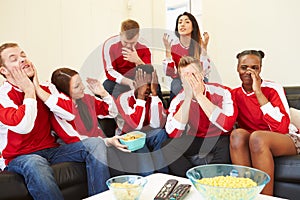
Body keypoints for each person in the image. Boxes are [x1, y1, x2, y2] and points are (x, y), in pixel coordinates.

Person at [0, 43, 111, 199]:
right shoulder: (3, 96)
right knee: (35, 162)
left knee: (95, 144)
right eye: (14, 59)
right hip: (19, 157)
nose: (23, 59)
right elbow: (24, 125)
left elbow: (70, 114)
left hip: (51, 150)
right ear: (4, 71)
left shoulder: (47, 88)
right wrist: (29, 91)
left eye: (23, 55)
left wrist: (37, 88)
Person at [51, 67, 155, 176]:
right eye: (77, 86)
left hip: (103, 143)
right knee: (113, 155)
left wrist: (103, 93)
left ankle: (149, 182)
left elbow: (112, 112)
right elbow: (76, 141)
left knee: (137, 146)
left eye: (81, 83)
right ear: (64, 92)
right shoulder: (60, 112)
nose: (82, 87)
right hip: (86, 148)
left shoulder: (86, 99)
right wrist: (107, 142)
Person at [230, 50, 300, 196]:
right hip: (253, 140)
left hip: (285, 138)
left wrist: (258, 93)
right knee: (237, 135)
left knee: (258, 138)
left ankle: (264, 198)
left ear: (260, 69)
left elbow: (281, 128)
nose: (248, 72)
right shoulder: (234, 94)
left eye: (254, 68)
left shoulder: (273, 89)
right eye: (244, 67)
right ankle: (245, 195)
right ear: (237, 69)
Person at [162, 56, 238, 177]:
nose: (190, 79)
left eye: (193, 74)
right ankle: (193, 178)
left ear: (202, 75)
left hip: (219, 138)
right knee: (167, 146)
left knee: (226, 145)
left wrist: (199, 96)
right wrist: (187, 99)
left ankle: (212, 179)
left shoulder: (223, 92)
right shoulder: (178, 100)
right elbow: (173, 133)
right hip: (195, 138)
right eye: (186, 76)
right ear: (181, 81)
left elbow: (227, 125)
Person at [115, 64, 169, 173]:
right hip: (128, 138)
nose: (148, 87)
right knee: (140, 144)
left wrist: (154, 94)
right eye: (144, 83)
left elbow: (156, 125)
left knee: (161, 133)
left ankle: (163, 176)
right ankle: (148, 178)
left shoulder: (154, 98)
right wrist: (140, 98)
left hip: (146, 135)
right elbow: (136, 125)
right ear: (135, 83)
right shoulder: (123, 99)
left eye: (150, 83)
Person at [162, 12, 211, 100]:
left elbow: (204, 71)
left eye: (187, 22)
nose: (182, 24)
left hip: (197, 79)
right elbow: (170, 72)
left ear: (193, 27)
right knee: (176, 85)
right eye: (180, 22)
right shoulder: (173, 48)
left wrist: (204, 49)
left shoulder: (199, 47)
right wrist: (168, 52)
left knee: (203, 83)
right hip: (180, 81)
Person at [102, 19, 152, 98]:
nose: (128, 46)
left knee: (155, 86)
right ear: (121, 35)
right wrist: (128, 82)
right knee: (107, 86)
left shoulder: (144, 46)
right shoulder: (110, 45)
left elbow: (149, 72)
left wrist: (138, 61)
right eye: (125, 42)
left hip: (139, 78)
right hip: (121, 79)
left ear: (138, 36)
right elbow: (110, 71)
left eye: (132, 43)